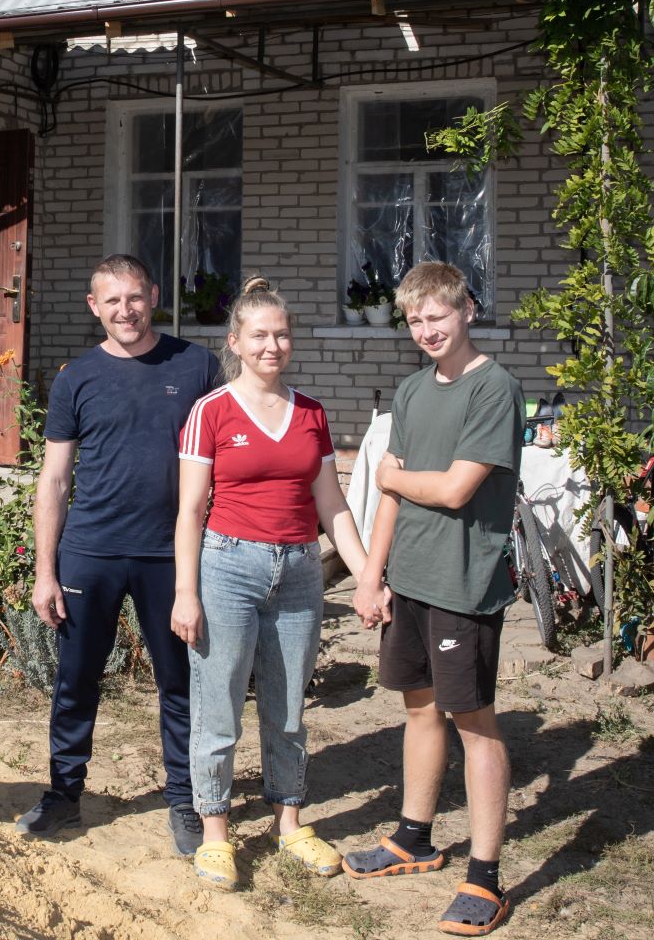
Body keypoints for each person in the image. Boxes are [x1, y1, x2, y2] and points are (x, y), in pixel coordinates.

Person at [171, 277, 376, 891]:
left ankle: (290, 823)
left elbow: (333, 506)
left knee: (289, 708)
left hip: (299, 570)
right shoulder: (211, 412)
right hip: (227, 567)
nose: (272, 345)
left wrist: (367, 577)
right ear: (236, 341)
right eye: (259, 335)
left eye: (281, 334)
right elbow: (188, 511)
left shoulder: (311, 412)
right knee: (219, 706)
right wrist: (187, 591)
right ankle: (215, 833)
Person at [17, 254, 224, 854]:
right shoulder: (75, 378)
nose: (125, 310)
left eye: (134, 297)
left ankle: (185, 799)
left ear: (153, 294)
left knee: (181, 681)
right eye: (112, 301)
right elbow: (54, 481)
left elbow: (222, 460)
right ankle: (63, 794)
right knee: (76, 680)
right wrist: (45, 570)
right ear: (94, 307)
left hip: (171, 555)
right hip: (92, 551)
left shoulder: (195, 365)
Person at [346, 262, 523, 937]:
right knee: (418, 710)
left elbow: (455, 490)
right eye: (416, 320)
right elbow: (391, 491)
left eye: (437, 316)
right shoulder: (413, 391)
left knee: (474, 724)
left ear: (467, 310)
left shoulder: (495, 388)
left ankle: (485, 876)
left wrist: (396, 473)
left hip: (462, 584)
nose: (427, 330)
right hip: (410, 579)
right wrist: (370, 575)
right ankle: (413, 839)